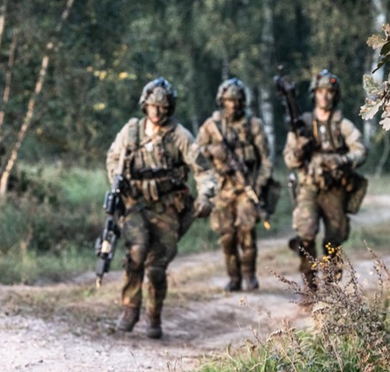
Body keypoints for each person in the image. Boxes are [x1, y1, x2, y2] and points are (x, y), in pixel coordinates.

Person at [105, 77, 217, 339]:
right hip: (134, 204)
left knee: (156, 266)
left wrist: (205, 196)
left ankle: (153, 315)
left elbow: (202, 169)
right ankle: (130, 308)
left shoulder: (179, 136)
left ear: (170, 108)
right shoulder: (131, 131)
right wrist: (117, 182)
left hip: (167, 207)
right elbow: (112, 158)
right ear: (145, 106)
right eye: (153, 106)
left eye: (163, 107)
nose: (157, 111)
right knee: (137, 251)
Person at [282, 70, 368, 290]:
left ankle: (331, 289)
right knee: (305, 234)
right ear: (314, 94)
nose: (325, 96)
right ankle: (310, 287)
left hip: (334, 188)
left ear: (335, 95)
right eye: (320, 91)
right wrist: (299, 151)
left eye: (329, 92)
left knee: (334, 238)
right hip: (309, 187)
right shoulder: (302, 125)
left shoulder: (342, 124)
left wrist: (343, 160)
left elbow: (360, 150)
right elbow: (289, 159)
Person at [197, 78, 273, 292]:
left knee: (247, 234)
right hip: (222, 189)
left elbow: (266, 160)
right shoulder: (211, 127)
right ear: (222, 101)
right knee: (227, 236)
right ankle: (234, 277)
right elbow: (196, 154)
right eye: (229, 100)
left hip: (246, 188)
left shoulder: (254, 125)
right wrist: (212, 151)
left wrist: (258, 185)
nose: (233, 105)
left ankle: (249, 275)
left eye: (237, 100)